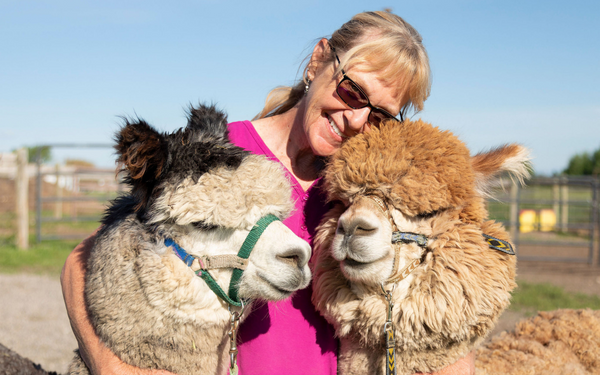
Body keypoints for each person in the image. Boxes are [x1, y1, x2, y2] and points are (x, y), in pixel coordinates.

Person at [60, 10, 476, 375]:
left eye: (380, 117)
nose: (355, 120)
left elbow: (434, 287)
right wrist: (111, 367)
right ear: (318, 61)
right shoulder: (221, 157)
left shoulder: (362, 196)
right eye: (353, 91)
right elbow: (85, 262)